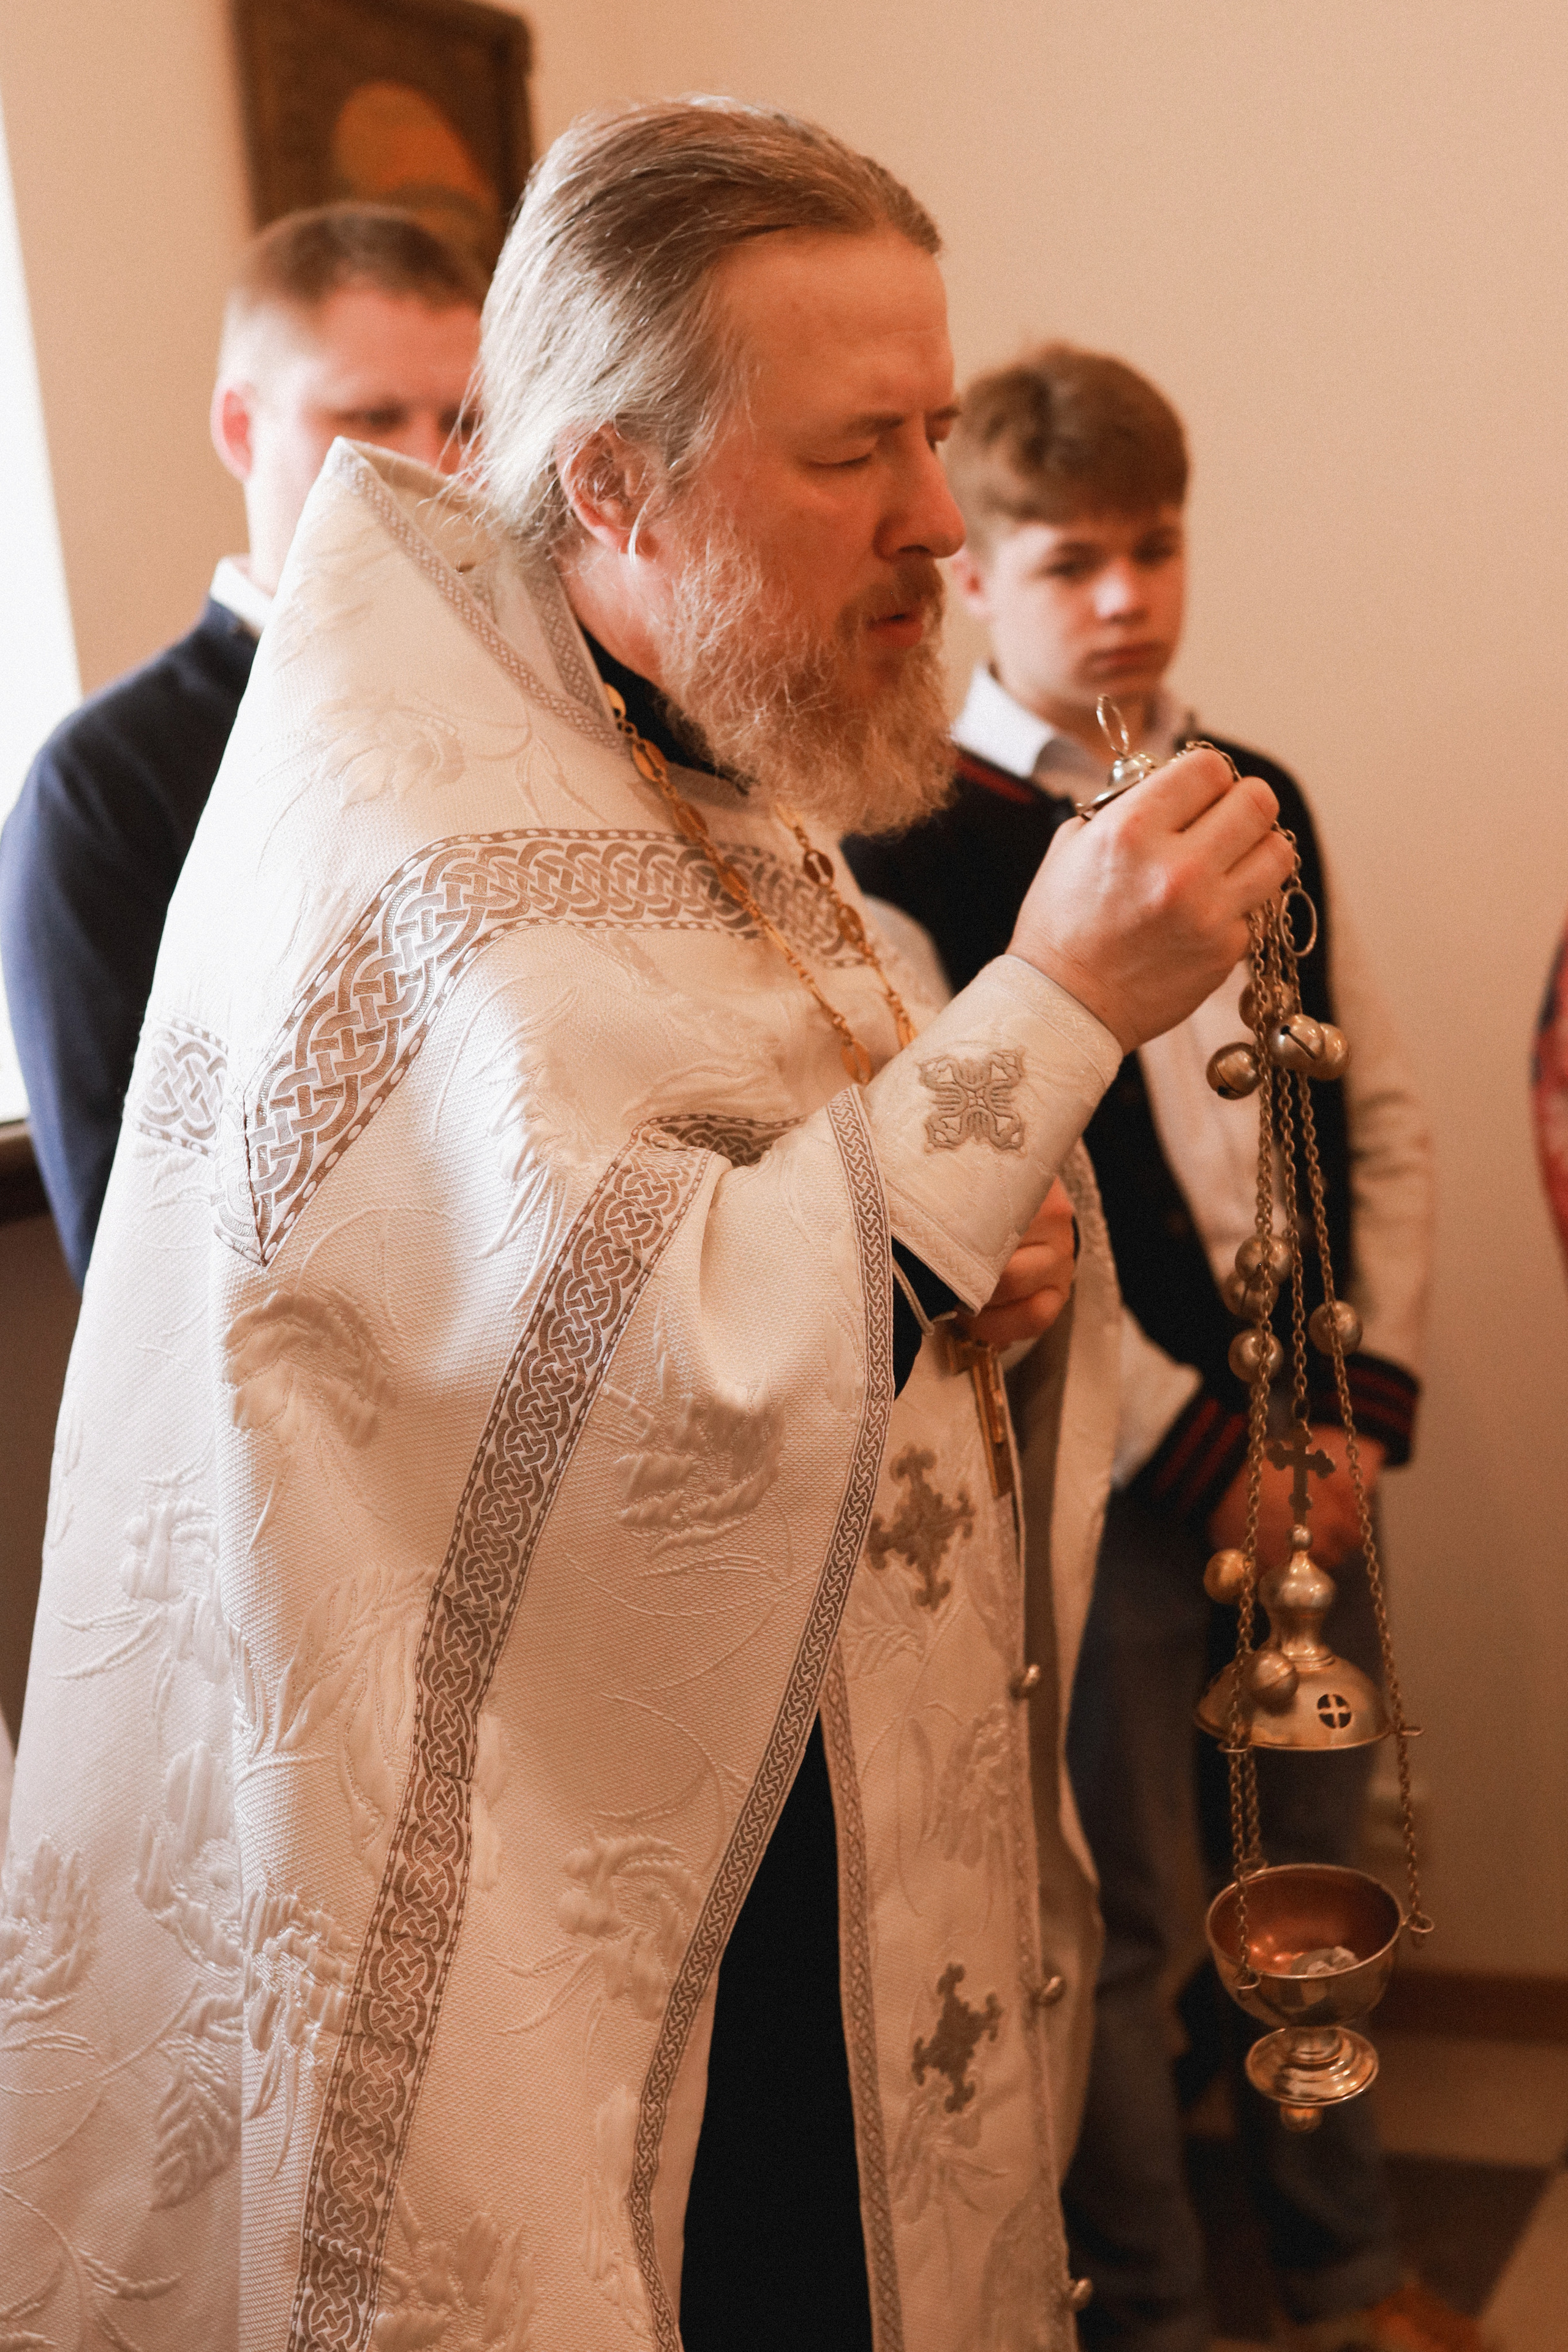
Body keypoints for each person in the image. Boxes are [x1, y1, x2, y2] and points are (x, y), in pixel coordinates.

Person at [0, 108, 1294, 2348]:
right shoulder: (409, 844)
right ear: (611, 481)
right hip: (571, 1930)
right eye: (857, 453)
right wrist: (1064, 1001)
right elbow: (612, 1382)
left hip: (799, 1842)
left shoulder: (694, 751)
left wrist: (1001, 1265)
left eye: (937, 430)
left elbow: (804, 1197)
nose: (933, 528)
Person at [848, 347, 1450, 2352]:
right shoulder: (919, 840)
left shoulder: (1258, 797)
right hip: (1116, 1487)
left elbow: (1379, 1119)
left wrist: (1348, 1421)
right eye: (1071, 558)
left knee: (1321, 1883)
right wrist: (1219, 1455)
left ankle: (1348, 2264)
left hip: (1317, 1465)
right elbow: (1021, 1191)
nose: (1121, 595)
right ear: (984, 577)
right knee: (1113, 1929)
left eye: (1155, 547)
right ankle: (1165, 2311)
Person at [0, 202, 485, 1286]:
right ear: (239, 429)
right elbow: (134, 1260)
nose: (429, 471)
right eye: (369, 418)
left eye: (461, 420)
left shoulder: (534, 712)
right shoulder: (104, 786)